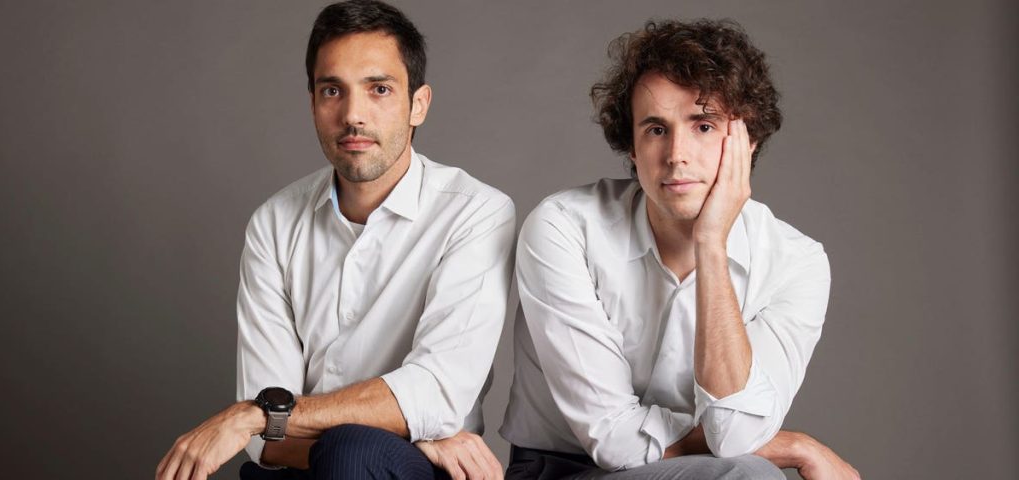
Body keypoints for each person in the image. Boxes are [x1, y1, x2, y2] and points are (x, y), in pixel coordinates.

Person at [156, 1, 514, 479]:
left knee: (354, 453)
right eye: (332, 91)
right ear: (313, 104)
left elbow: (437, 393)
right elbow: (265, 444)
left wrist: (259, 415)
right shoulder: (274, 223)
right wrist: (411, 430)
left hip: (408, 474)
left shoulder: (475, 213)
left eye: (379, 89)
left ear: (419, 104)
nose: (353, 115)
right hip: (304, 467)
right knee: (337, 453)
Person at [500, 19, 860, 479]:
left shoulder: (795, 262)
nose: (676, 155)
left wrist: (711, 245)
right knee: (749, 475)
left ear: (748, 141)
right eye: (656, 129)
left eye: (704, 126)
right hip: (561, 470)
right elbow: (613, 438)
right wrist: (792, 446)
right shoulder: (565, 227)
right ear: (632, 147)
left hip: (705, 471)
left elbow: (735, 435)